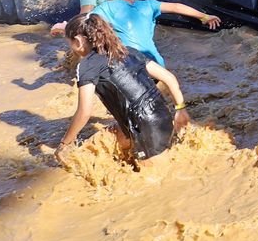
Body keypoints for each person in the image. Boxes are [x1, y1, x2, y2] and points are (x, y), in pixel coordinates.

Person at [57, 13, 186, 164]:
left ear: (78, 41)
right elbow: (169, 78)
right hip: (163, 116)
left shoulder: (87, 66)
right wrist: (181, 110)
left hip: (143, 128)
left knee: (152, 178)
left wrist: (64, 144)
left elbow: (84, 112)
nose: (71, 49)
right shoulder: (126, 50)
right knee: (100, 144)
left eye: (70, 43)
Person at [95, 0, 220, 68]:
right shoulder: (149, 5)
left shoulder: (105, 8)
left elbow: (86, 22)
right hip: (156, 63)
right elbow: (176, 7)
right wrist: (205, 17)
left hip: (131, 64)